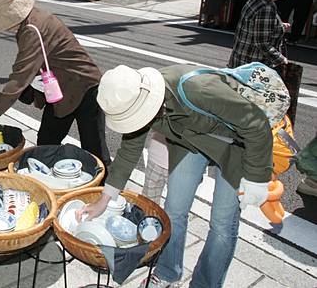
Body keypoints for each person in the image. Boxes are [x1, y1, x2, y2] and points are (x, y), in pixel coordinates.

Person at [80, 64, 273, 288]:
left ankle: (205, 284)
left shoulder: (196, 89)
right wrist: (104, 200)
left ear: (148, 102)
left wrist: (257, 179)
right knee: (173, 211)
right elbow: (128, 152)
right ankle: (167, 272)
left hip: (237, 148)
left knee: (222, 224)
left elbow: (257, 123)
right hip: (190, 142)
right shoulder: (134, 101)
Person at [0, 0, 109, 165]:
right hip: (59, 90)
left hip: (85, 86)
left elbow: (19, 78)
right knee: (46, 141)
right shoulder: (31, 20)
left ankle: (106, 191)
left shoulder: (31, 29)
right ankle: (55, 177)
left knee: (94, 149)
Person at [228, 0, 292, 70]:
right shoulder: (266, 7)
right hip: (252, 67)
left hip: (241, 61)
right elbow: (262, 43)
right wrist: (281, 59)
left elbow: (255, 27)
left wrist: (279, 26)